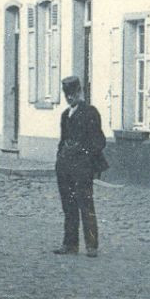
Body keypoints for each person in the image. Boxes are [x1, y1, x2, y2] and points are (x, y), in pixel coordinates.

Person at [54, 76, 105, 257]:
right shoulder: (64, 115)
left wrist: (83, 153)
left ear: (80, 92)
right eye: (67, 94)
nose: (70, 98)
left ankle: (91, 246)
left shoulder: (90, 112)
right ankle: (70, 244)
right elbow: (63, 140)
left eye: (73, 94)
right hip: (65, 167)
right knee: (68, 206)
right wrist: (60, 157)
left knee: (86, 205)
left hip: (82, 167)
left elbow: (99, 141)